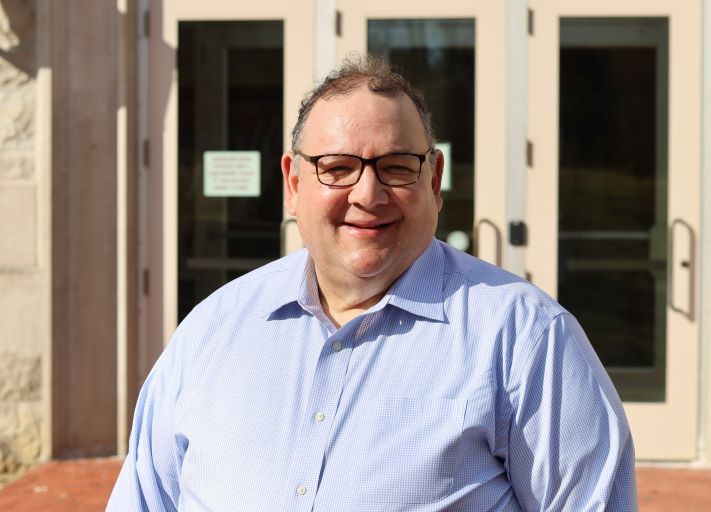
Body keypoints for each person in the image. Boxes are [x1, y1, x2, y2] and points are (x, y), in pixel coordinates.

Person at [107, 55, 637, 511]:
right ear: (293, 184)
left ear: (433, 180)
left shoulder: (525, 339)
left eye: (397, 166)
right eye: (337, 168)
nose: (367, 193)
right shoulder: (213, 330)